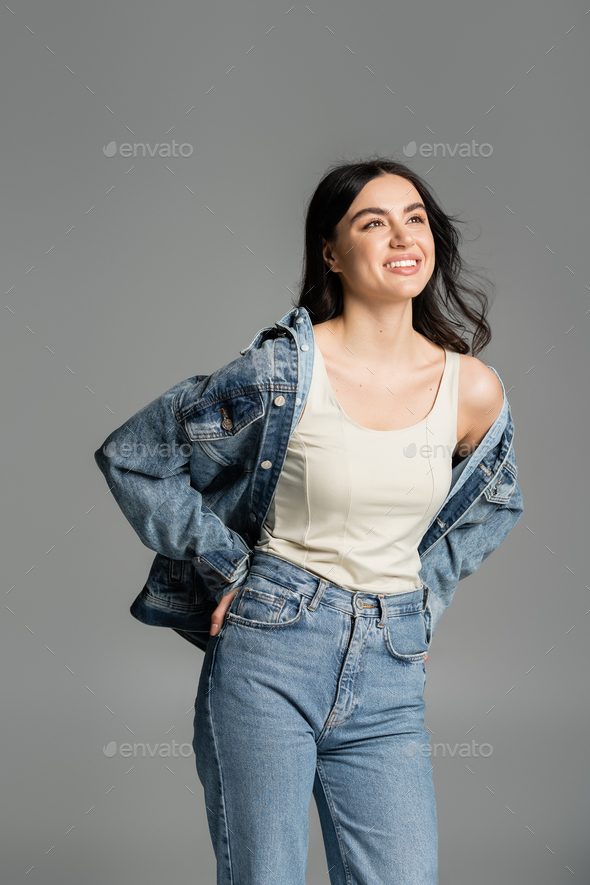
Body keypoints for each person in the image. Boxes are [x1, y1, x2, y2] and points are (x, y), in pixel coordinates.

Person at [94, 157, 523, 884]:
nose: (401, 236)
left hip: (390, 668)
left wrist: (425, 598)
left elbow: (497, 502)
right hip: (271, 648)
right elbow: (136, 454)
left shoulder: (471, 388)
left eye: (414, 218)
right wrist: (226, 565)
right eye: (372, 221)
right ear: (331, 252)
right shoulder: (282, 371)